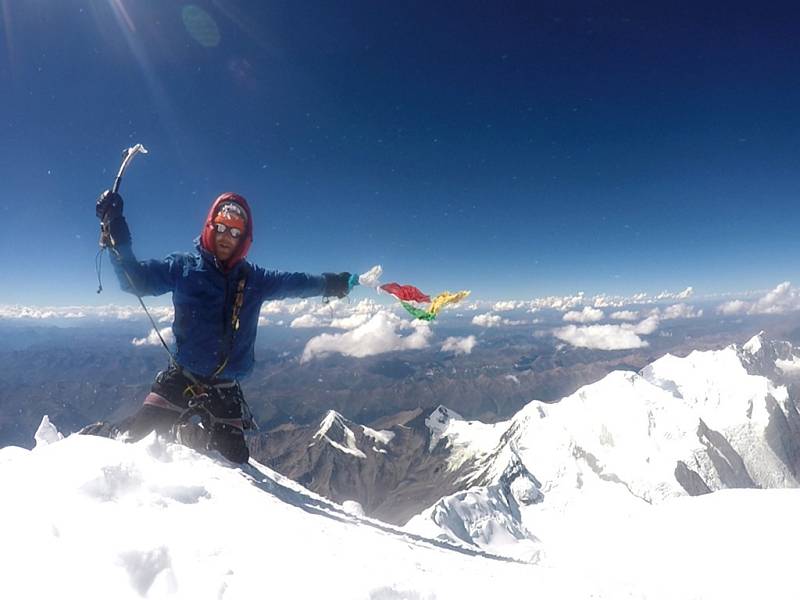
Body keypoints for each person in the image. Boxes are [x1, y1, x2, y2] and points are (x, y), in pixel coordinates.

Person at [92, 190, 355, 463]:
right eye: (220, 227)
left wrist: (333, 283)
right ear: (210, 226)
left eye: (235, 231)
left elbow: (297, 283)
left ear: (244, 237)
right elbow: (135, 280)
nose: (226, 236)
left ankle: (188, 437)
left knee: (235, 461)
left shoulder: (254, 278)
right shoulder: (184, 267)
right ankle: (168, 437)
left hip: (224, 387)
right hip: (183, 377)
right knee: (136, 442)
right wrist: (117, 230)